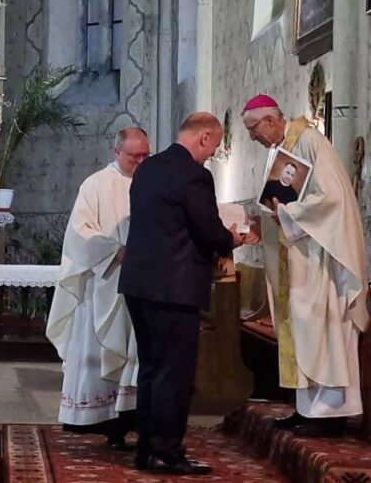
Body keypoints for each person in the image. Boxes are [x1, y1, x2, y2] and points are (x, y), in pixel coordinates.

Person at [118, 112, 248, 475]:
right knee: (174, 374)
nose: (212, 154)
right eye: (214, 146)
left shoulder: (147, 169)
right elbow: (208, 229)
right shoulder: (194, 174)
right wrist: (230, 239)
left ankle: (147, 447)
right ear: (204, 138)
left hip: (139, 284)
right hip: (174, 288)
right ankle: (166, 451)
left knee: (151, 369)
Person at [241, 94, 368, 437]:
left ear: (270, 120)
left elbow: (331, 198)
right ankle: (307, 409)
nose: (252, 137)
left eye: (253, 129)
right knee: (304, 333)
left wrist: (286, 213)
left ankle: (331, 414)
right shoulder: (284, 149)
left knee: (323, 332)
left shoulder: (310, 141)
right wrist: (264, 218)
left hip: (320, 259)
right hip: (299, 257)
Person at [47, 127, 150, 449]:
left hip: (142, 284)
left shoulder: (152, 183)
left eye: (145, 156)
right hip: (103, 281)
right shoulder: (95, 185)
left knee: (136, 354)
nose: (141, 162)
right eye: (134, 156)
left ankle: (134, 421)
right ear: (117, 152)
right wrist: (115, 251)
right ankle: (107, 424)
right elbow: (79, 232)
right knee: (102, 352)